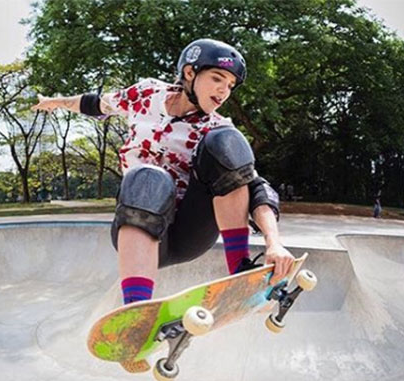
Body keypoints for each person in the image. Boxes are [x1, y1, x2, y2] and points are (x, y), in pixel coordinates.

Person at [32, 39, 294, 306]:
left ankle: (241, 270)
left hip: (189, 232)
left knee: (224, 140)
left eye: (230, 85)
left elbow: (255, 187)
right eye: (217, 78)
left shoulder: (216, 128)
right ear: (190, 73)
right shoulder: (145, 95)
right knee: (147, 177)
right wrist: (55, 102)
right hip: (139, 228)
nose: (223, 91)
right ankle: (135, 309)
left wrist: (274, 243)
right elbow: (96, 104)